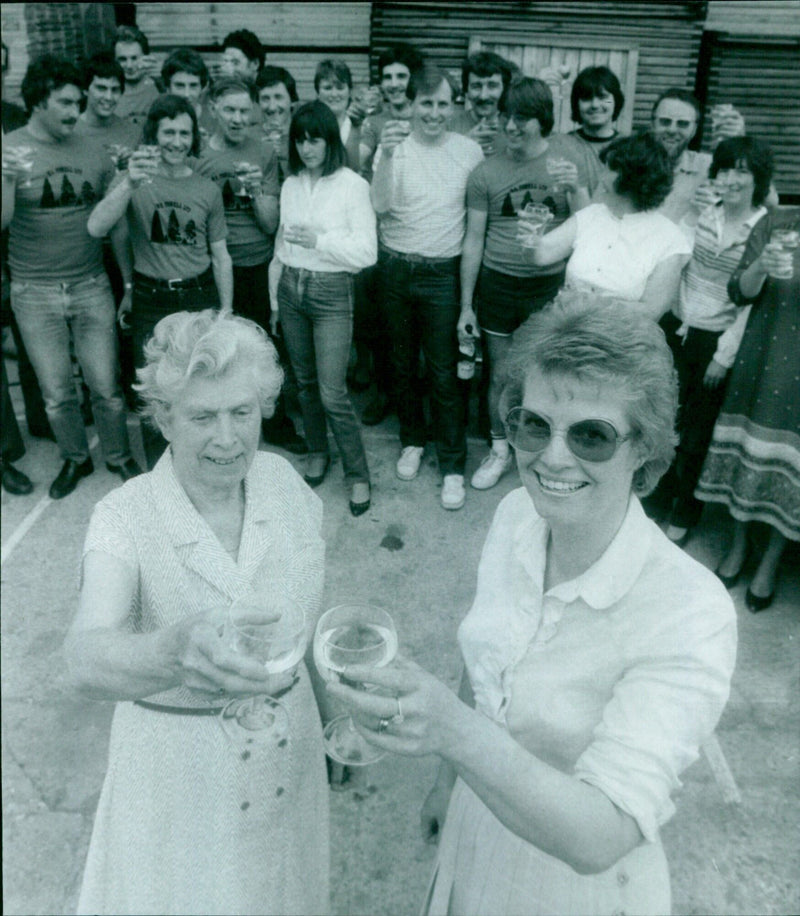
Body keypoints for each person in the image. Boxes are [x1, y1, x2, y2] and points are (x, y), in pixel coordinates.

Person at [330, 292, 737, 916]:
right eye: (533, 423)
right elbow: (489, 659)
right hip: (480, 816)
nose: (551, 456)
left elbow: (603, 835)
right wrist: (447, 782)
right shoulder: (518, 516)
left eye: (592, 436)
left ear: (645, 455)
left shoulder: (690, 613)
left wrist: (453, 735)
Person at [65, 309, 330, 915]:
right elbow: (81, 658)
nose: (228, 438)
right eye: (202, 416)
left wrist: (326, 703)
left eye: (242, 412)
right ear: (163, 418)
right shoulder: (123, 516)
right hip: (178, 782)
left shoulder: (285, 483)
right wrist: (171, 651)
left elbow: (301, 613)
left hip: (291, 742)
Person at [2, 56, 140, 499]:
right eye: (65, 102)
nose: (75, 111)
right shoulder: (11, 147)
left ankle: (119, 457)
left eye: (78, 103)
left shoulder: (92, 148)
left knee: (106, 386)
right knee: (57, 392)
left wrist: (130, 284)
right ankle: (76, 459)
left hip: (91, 283)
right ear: (38, 100)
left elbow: (115, 222)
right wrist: (5, 178)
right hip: (33, 291)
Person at [460, 77, 597, 491]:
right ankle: (500, 449)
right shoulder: (486, 170)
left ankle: (541, 455)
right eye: (507, 117)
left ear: (543, 122)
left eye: (522, 119)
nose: (511, 127)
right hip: (498, 284)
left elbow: (590, 225)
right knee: (500, 375)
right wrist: (466, 304)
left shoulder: (567, 158)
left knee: (550, 375)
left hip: (550, 286)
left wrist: (575, 187)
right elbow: (473, 241)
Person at [87, 93, 232, 469]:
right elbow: (97, 226)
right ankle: (161, 476)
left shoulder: (207, 189)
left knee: (201, 388)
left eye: (185, 133)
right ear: (154, 134)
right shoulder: (135, 179)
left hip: (199, 294)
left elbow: (220, 255)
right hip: (151, 298)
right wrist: (129, 182)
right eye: (169, 132)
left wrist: (226, 312)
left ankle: (199, 464)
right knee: (155, 394)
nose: (177, 141)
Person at [372, 63, 484, 510]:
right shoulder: (394, 147)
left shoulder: (470, 151)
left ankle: (453, 464)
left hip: (443, 274)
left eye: (442, 103)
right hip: (396, 268)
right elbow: (380, 206)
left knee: (443, 372)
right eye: (426, 103)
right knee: (401, 364)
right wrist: (383, 155)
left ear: (454, 106)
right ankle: (413, 441)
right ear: (410, 105)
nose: (434, 113)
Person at [654, 137, 773, 545]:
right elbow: (675, 262)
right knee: (665, 418)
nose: (732, 178)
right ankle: (657, 496)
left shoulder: (763, 226)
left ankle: (686, 511)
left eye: (743, 170)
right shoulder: (704, 211)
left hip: (717, 341)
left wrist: (724, 354)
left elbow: (750, 305)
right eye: (725, 169)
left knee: (697, 433)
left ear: (758, 179)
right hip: (678, 328)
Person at [273, 101, 376, 515]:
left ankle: (358, 475)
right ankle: (318, 452)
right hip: (291, 289)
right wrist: (274, 302)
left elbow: (367, 253)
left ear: (330, 140)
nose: (306, 147)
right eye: (299, 139)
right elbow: (281, 248)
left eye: (314, 138)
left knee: (333, 392)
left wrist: (321, 240)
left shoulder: (353, 185)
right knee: (304, 384)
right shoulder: (291, 185)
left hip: (332, 291)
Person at [194, 75, 306, 455]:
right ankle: (219, 426)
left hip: (256, 264)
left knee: (264, 352)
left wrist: (258, 190)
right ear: (213, 110)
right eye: (230, 109)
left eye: (245, 110)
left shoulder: (263, 153)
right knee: (214, 353)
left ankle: (275, 423)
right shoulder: (199, 156)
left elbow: (271, 222)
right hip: (212, 267)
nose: (238, 118)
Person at [696, 206, 800, 612]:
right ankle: (739, 545)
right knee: (748, 457)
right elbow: (738, 290)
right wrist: (762, 265)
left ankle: (771, 561)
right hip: (766, 357)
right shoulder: (778, 221)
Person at [527, 132, 691, 318]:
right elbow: (539, 256)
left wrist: (584, 302)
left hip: (621, 340)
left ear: (634, 178)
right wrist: (530, 238)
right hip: (570, 327)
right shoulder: (591, 215)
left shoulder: (669, 238)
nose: (601, 176)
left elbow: (653, 310)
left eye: (609, 169)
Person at [649, 88, 744, 226]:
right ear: (652, 124)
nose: (672, 130)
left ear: (694, 130)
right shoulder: (630, 163)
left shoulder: (708, 166)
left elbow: (769, 202)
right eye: (665, 121)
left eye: (683, 124)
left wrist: (740, 145)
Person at [359, 43, 424, 179]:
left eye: (401, 76)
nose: (394, 84)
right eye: (388, 77)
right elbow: (358, 160)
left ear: (414, 80)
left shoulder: (428, 120)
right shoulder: (373, 122)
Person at [449, 51, 518, 157]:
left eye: (492, 86)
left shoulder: (516, 128)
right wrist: (462, 146)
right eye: (476, 86)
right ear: (466, 90)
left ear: (505, 89)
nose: (483, 96)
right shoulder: (449, 128)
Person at [76, 52, 141, 150]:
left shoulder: (134, 133)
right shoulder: (70, 130)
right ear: (85, 89)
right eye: (101, 88)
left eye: (115, 90)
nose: (108, 97)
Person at [568, 65, 625, 163]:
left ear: (616, 100)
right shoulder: (564, 145)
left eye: (602, 97)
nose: (594, 105)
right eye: (586, 98)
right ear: (576, 103)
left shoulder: (628, 148)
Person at [255, 65, 299, 184]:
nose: (272, 107)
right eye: (265, 98)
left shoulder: (303, 137)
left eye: (278, 97)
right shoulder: (249, 138)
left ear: (293, 101)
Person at [315, 59, 360, 170]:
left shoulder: (362, 126)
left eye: (340, 88)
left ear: (350, 92)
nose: (334, 94)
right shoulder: (310, 126)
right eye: (327, 88)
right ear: (317, 93)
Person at [161, 48, 214, 142]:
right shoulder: (157, 119)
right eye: (179, 86)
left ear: (203, 87)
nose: (186, 94)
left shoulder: (215, 119)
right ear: (167, 88)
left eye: (193, 86)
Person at [112, 25, 159, 126]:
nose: (129, 66)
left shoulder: (160, 88)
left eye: (134, 58)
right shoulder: (109, 92)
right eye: (122, 59)